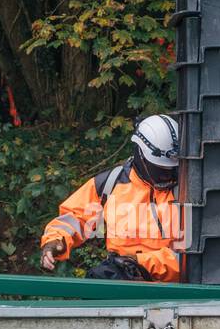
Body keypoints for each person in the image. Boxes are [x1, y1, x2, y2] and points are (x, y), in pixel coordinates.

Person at [40, 115, 182, 281]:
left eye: (172, 169)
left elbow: (193, 256)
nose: (168, 176)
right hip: (122, 284)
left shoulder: (187, 191)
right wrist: (55, 241)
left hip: (174, 292)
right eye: (160, 169)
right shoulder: (110, 184)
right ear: (140, 155)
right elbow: (74, 217)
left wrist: (139, 264)